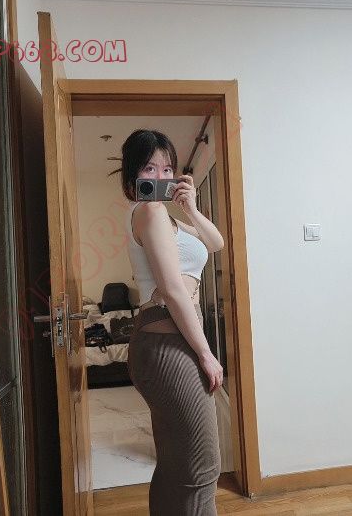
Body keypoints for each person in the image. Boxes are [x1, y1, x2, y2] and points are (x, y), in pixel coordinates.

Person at [110, 129, 224, 515]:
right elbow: (174, 290)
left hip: (166, 340)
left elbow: (216, 243)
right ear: (132, 178)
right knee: (201, 467)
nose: (160, 177)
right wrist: (206, 354)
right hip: (169, 341)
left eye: (167, 169)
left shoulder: (167, 218)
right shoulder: (150, 212)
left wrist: (190, 208)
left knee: (177, 463)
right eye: (149, 168)